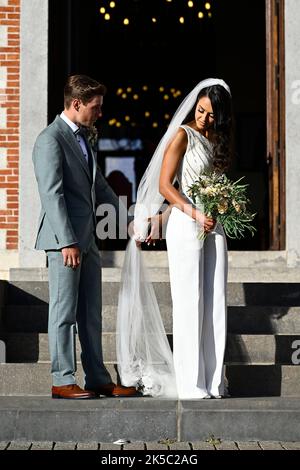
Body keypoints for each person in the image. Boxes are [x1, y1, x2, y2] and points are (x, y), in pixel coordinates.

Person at [117, 78, 233, 399]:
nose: (203, 118)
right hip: (187, 223)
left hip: (215, 224)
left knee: (215, 301)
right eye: (200, 110)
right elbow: (166, 186)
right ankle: (190, 383)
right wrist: (195, 213)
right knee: (189, 301)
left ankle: (212, 381)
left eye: (211, 115)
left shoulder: (218, 139)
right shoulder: (183, 135)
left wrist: (225, 205)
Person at [32, 74, 140, 399]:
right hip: (64, 242)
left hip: (89, 239)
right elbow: (52, 194)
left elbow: (100, 186)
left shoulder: (85, 138)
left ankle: (97, 377)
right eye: (96, 107)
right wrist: (67, 241)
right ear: (76, 104)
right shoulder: (49, 139)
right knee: (64, 312)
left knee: (91, 312)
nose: (100, 113)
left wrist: (127, 220)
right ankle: (62, 379)